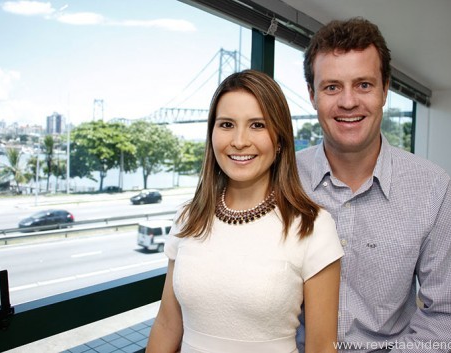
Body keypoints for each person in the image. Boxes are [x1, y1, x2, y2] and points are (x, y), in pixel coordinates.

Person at [296, 17, 451, 352]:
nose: (348, 102)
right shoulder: (281, 179)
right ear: (312, 95)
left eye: (364, 84)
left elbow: (447, 316)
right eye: (332, 87)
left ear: (384, 90)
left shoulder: (434, 189)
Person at [147, 69, 344, 353]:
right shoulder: (188, 218)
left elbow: (322, 347)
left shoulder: (313, 226)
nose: (239, 141)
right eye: (226, 124)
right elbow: (167, 324)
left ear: (279, 140)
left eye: (257, 125)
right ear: (212, 134)